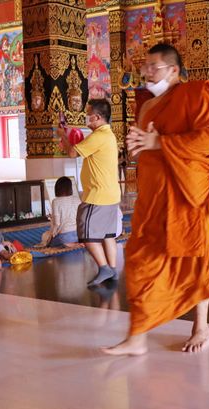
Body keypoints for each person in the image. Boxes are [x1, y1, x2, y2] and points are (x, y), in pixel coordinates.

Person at [103, 43, 209, 355]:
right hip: (153, 198)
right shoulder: (147, 103)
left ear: (174, 70)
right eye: (145, 66)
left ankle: (201, 327)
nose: (147, 72)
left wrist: (159, 142)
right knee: (139, 259)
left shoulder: (196, 93)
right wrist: (142, 147)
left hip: (188, 196)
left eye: (154, 66)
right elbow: (145, 143)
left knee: (195, 260)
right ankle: (137, 337)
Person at [57, 99, 121, 285]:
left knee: (85, 233)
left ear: (97, 117)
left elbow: (72, 153)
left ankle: (104, 268)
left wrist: (63, 135)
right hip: (111, 194)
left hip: (97, 195)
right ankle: (113, 269)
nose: (86, 117)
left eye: (88, 113)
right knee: (108, 235)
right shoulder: (106, 134)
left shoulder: (99, 136)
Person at [48, 176, 81, 247]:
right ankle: (74, 243)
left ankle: (67, 243)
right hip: (78, 235)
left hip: (64, 236)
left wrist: (51, 236)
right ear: (70, 188)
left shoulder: (55, 201)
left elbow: (57, 223)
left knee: (45, 236)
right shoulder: (77, 200)